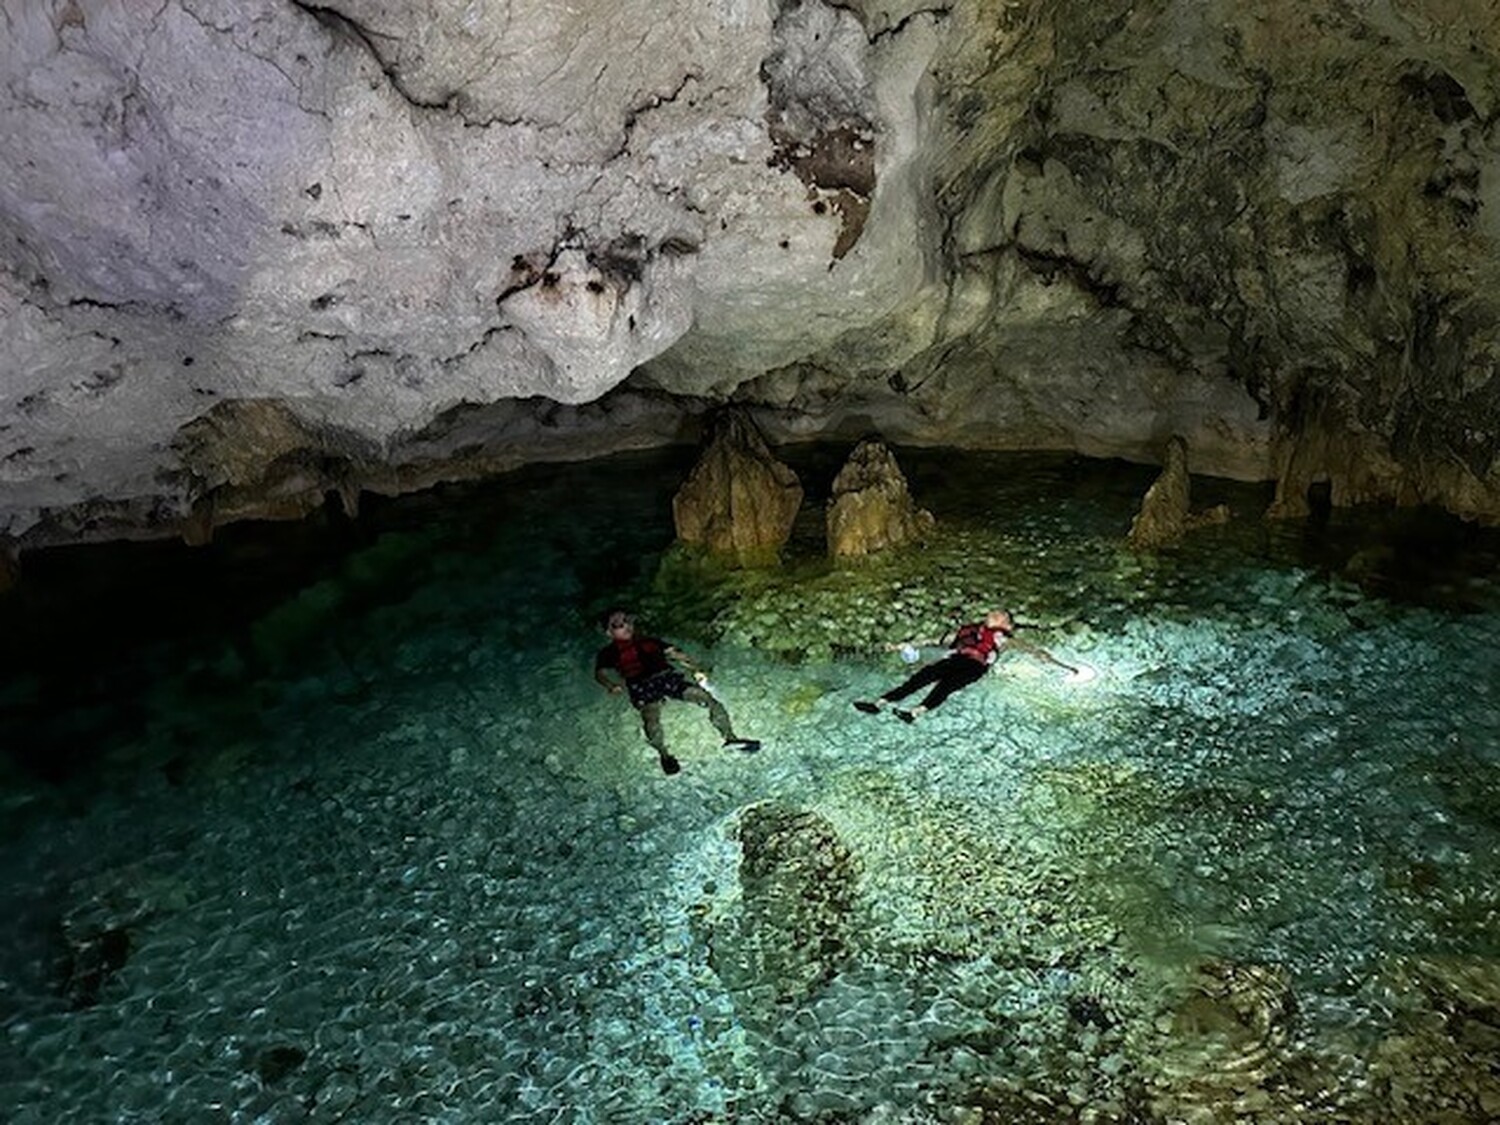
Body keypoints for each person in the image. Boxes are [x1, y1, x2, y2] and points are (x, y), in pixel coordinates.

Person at [594, 608, 760, 774]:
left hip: (666, 678)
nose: (626, 625)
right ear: (609, 632)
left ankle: (731, 738)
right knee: (651, 719)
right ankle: (664, 755)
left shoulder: (650, 642)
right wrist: (610, 685)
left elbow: (676, 654)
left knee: (708, 699)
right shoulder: (608, 653)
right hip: (641, 685)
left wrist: (696, 668)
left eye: (627, 620)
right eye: (618, 624)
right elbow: (599, 673)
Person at [853, 608, 1077, 723]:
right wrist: (900, 646)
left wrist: (1064, 667)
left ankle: (914, 713)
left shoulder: (1002, 638)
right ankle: (879, 703)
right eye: (992, 613)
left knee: (946, 686)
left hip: (976, 666)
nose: (993, 614)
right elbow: (932, 640)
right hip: (955, 657)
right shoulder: (966, 631)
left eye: (998, 615)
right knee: (920, 678)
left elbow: (1035, 652)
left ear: (1006, 624)